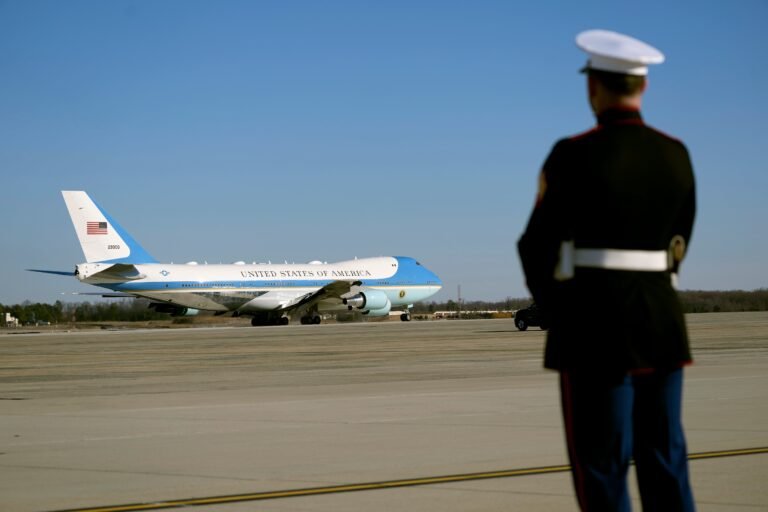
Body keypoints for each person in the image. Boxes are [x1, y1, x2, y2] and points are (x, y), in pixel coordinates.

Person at [518, 29, 696, 511]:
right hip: (662, 324)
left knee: (602, 469)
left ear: (592, 86)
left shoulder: (572, 154)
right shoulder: (675, 154)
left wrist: (560, 310)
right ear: (644, 86)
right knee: (666, 461)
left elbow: (535, 246)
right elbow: (678, 243)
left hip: (593, 331)